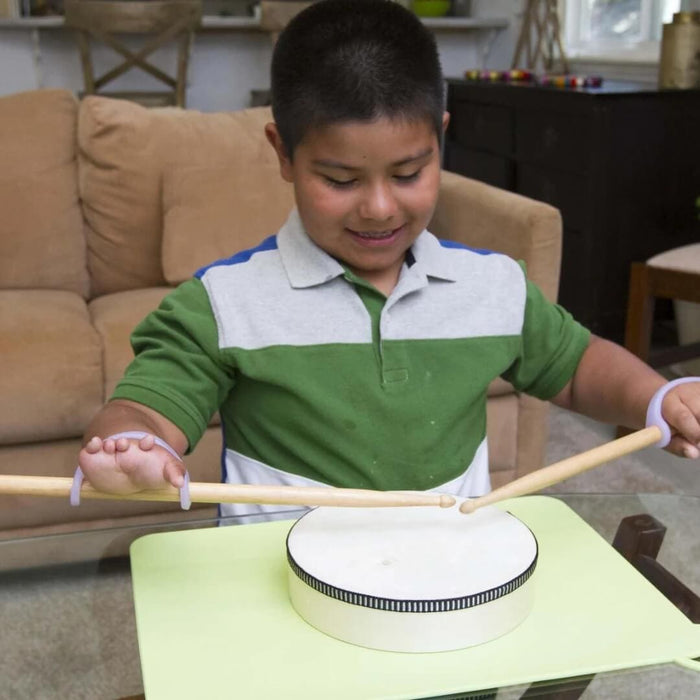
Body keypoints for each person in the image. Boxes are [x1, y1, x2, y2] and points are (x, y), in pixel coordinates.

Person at [77, 0, 699, 518]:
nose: (379, 208)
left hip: (448, 578)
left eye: (409, 172)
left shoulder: (492, 286)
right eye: (340, 178)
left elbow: (576, 366)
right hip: (281, 589)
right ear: (283, 153)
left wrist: (654, 396)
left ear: (441, 141)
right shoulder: (222, 302)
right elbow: (145, 406)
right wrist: (133, 442)